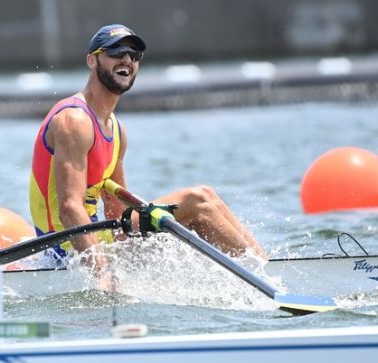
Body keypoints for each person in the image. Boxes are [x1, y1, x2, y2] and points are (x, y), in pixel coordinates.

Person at [29, 24, 267, 268]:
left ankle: (264, 266)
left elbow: (116, 212)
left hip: (98, 243)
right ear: (92, 60)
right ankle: (261, 273)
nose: (127, 60)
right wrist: (102, 272)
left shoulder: (117, 130)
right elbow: (69, 209)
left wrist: (128, 255)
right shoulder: (74, 120)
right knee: (196, 201)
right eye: (116, 52)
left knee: (207, 196)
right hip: (65, 252)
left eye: (134, 56)